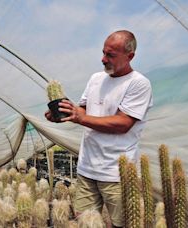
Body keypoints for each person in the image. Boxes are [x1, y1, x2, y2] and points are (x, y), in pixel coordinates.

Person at [45, 30, 153, 227]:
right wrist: (62, 115)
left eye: (110, 55)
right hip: (87, 168)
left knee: (123, 223)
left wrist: (81, 117)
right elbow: (83, 110)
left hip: (117, 174)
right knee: (85, 222)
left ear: (130, 56)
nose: (103, 59)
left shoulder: (138, 84)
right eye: (103, 53)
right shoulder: (96, 78)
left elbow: (123, 124)